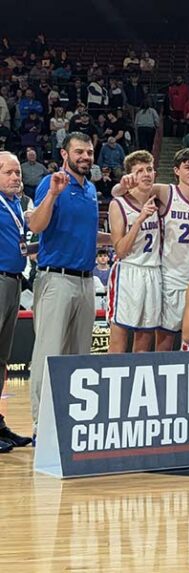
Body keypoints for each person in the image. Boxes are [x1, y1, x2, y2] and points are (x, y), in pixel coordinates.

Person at [28, 132, 111, 437]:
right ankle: (41, 426)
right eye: (79, 152)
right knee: (48, 354)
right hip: (56, 278)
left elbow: (89, 235)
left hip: (86, 281)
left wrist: (122, 238)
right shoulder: (51, 183)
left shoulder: (90, 189)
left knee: (79, 357)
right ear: (65, 154)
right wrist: (51, 195)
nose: (85, 157)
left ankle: (69, 422)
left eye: (89, 152)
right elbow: (36, 226)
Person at [113, 148, 189, 352]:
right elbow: (126, 192)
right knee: (160, 339)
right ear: (176, 170)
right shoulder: (166, 192)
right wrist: (119, 187)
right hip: (168, 276)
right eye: (188, 167)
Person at [106, 151, 161, 353]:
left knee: (145, 340)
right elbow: (120, 250)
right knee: (119, 341)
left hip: (153, 272)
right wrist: (139, 220)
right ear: (131, 177)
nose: (146, 174)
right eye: (139, 171)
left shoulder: (159, 200)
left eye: (149, 169)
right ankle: (111, 383)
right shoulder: (118, 204)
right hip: (129, 272)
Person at [0, 152, 32, 451]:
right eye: (9, 172)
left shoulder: (15, 205)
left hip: (13, 280)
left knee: (1, 359)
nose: (16, 177)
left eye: (18, 172)